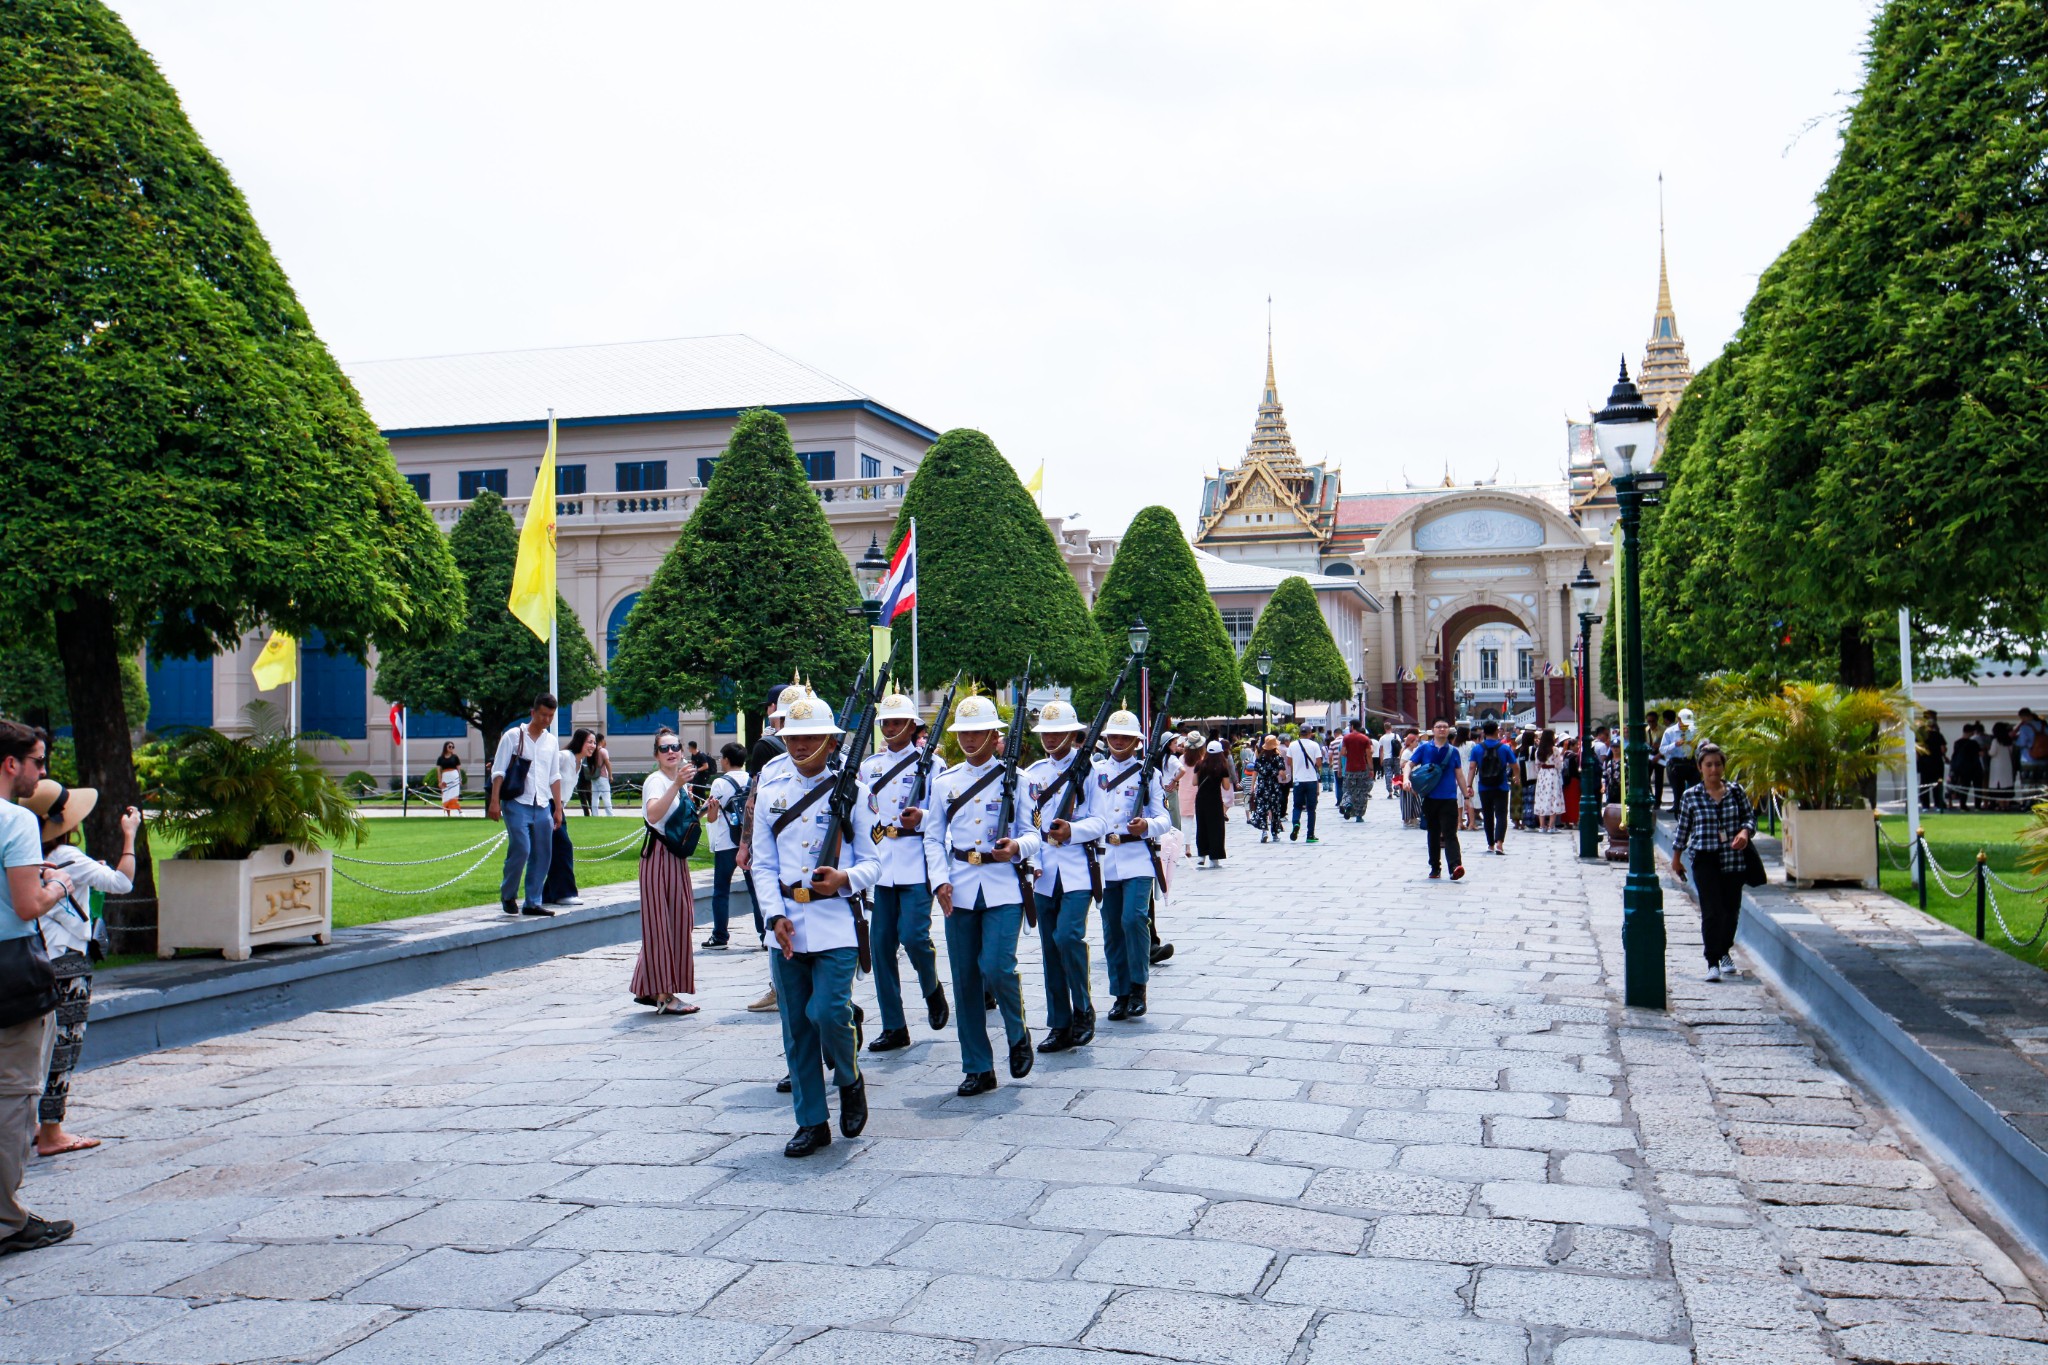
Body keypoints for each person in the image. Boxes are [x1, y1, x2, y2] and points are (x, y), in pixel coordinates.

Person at [753, 697, 878, 1156]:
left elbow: (874, 863)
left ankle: (848, 1078)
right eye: (793, 738)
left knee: (826, 1012)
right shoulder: (772, 792)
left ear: (831, 741)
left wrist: (845, 878)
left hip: (836, 922)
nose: (801, 745)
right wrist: (774, 915)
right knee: (796, 1028)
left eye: (810, 737)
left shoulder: (857, 794)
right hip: (786, 922)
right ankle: (811, 1121)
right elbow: (763, 867)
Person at [924, 694, 1041, 1096]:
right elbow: (932, 837)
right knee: (964, 979)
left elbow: (1033, 834)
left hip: (1002, 885)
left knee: (996, 966)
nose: (971, 739)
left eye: (979, 732)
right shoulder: (944, 783)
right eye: (965, 733)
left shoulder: (1020, 780)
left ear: (996, 736)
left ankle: (1017, 1030)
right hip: (959, 884)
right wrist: (939, 880)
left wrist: (1017, 849)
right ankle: (977, 1065)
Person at [24, 782, 138, 1157]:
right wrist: (129, 837)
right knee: (64, 1047)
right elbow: (122, 882)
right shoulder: (68, 855)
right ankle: (53, 1131)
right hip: (69, 964)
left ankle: (35, 1124)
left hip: (33, 959)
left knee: (36, 1048)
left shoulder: (24, 857)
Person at [0, 720, 75, 1255]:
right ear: (11, 764)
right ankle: (6, 1219)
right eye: (38, 761)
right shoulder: (15, 820)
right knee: (13, 1099)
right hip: (9, 971)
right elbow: (28, 905)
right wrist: (58, 884)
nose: (41, 772)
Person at [860, 691, 950, 1053]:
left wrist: (923, 818)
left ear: (914, 726)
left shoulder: (932, 764)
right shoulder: (869, 767)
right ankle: (894, 1025)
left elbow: (942, 816)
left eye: (899, 722)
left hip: (916, 859)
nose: (891, 728)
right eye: (887, 722)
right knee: (880, 946)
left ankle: (931, 988)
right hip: (882, 862)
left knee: (914, 937)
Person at [1022, 699, 1106, 1054]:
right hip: (1044, 872)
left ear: (1073, 734)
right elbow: (1027, 825)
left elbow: (1101, 822)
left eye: (1058, 732)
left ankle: (1083, 1009)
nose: (1051, 738)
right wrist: (1033, 857)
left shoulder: (1093, 771)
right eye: (1046, 732)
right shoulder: (1034, 773)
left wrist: (1071, 830)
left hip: (1076, 869)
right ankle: (1059, 1022)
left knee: (1068, 937)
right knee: (1049, 948)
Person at [1092, 710, 1169, 1020]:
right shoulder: (1095, 773)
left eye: (1125, 737)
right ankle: (1120, 992)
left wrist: (1146, 825)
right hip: (1105, 859)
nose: (1119, 741)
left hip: (1136, 855)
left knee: (1133, 919)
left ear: (1137, 742)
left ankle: (1138, 986)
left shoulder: (1148, 773)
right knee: (1111, 928)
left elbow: (1164, 819)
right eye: (1114, 736)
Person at [739, 682, 801, 1013]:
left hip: (776, 843)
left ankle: (780, 986)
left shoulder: (766, 746)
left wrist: (745, 843)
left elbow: (753, 798)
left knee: (770, 915)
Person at [1671, 742, 1757, 983]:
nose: (1714, 769)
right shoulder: (1691, 796)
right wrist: (1676, 859)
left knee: (1730, 912)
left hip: (1733, 858)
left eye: (1718, 764)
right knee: (1712, 911)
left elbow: (1750, 818)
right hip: (1704, 858)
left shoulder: (1736, 791)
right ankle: (1712, 961)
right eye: (1708, 765)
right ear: (1700, 767)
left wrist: (1744, 832)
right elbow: (1683, 829)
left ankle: (1724, 951)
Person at [630, 728, 698, 1015]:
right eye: (664, 748)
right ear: (656, 755)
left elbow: (678, 820)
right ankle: (663, 994)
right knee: (660, 924)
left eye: (675, 747)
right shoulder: (656, 782)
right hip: (658, 857)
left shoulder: (676, 782)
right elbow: (654, 815)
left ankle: (649, 987)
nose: (671, 752)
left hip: (674, 858)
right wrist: (676, 786)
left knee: (678, 920)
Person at [488, 694, 564, 917]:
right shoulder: (513, 736)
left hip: (542, 804)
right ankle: (508, 893)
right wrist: (494, 802)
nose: (546, 720)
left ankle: (532, 901)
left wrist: (558, 808)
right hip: (516, 803)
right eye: (543, 715)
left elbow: (554, 776)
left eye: (551, 716)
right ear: (533, 713)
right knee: (521, 849)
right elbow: (499, 771)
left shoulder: (551, 741)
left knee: (543, 853)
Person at [701, 743, 749, 950]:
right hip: (748, 841)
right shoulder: (751, 779)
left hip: (726, 842)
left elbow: (712, 818)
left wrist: (711, 810)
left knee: (721, 890)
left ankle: (720, 936)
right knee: (755, 889)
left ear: (727, 760)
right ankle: (764, 933)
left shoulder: (720, 783)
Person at [1408, 719, 1467, 881]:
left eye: (1445, 727)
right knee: (1433, 833)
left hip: (1449, 798)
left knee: (1450, 833)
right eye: (1438, 727)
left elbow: (1459, 774)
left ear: (1449, 731)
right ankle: (1435, 867)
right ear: (1432, 730)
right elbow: (1409, 764)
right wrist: (1406, 779)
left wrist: (1466, 794)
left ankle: (1455, 866)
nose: (1442, 729)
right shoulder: (1424, 748)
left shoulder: (1453, 751)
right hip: (1430, 798)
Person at [542, 729, 595, 907]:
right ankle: (565, 893)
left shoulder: (579, 764)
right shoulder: (564, 756)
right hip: (548, 805)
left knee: (557, 849)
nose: (592, 746)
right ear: (579, 741)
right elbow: (545, 772)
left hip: (558, 808)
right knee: (563, 846)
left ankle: (549, 893)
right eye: (589, 742)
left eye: (594, 743)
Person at [1472, 719, 1517, 855]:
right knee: (1501, 814)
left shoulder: (1477, 748)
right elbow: (1515, 766)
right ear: (1497, 731)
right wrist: (1517, 777)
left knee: (1488, 815)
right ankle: (1499, 844)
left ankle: (1490, 844)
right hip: (1501, 785)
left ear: (1483, 733)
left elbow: (1472, 768)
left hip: (1484, 786)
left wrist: (1469, 785)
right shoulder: (1504, 748)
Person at [1194, 740, 1234, 867]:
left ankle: (1201, 856)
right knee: (1216, 828)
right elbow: (1226, 786)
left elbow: (1194, 782)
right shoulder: (1222, 766)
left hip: (1200, 800)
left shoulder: (1199, 764)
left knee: (1202, 826)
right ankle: (1214, 858)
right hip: (1215, 800)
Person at [1287, 728, 1324, 843]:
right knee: (1311, 809)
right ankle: (1310, 835)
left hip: (1298, 780)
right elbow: (1318, 763)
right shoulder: (1314, 745)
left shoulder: (1292, 745)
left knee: (1297, 806)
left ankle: (1296, 822)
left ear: (1299, 733)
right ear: (1310, 733)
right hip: (1311, 780)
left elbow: (1289, 762)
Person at [1250, 735, 1288, 842]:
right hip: (1273, 786)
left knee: (1262, 809)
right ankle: (1275, 833)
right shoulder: (1278, 757)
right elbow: (1281, 773)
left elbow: (1255, 773)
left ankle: (1264, 832)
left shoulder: (1260, 757)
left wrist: (1252, 787)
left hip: (1262, 786)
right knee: (1275, 809)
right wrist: (1284, 777)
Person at [1661, 708, 1699, 812]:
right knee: (1678, 792)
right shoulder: (1669, 732)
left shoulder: (1694, 731)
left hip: (1690, 762)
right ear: (1678, 719)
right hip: (1675, 763)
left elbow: (1702, 747)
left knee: (1694, 789)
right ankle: (1677, 810)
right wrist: (1675, 744)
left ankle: (1692, 811)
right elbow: (1662, 749)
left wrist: (1695, 745)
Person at [1338, 721, 1373, 822]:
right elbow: (1369, 755)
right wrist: (1371, 769)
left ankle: (1348, 804)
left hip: (1349, 769)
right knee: (1362, 792)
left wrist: (1350, 754)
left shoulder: (1347, 738)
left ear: (1352, 726)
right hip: (1362, 768)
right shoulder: (1365, 739)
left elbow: (1343, 752)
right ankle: (1359, 815)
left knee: (1348, 789)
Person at [1532, 728, 1565, 833]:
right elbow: (1559, 765)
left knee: (1542, 798)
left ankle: (1542, 826)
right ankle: (1551, 826)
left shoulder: (1538, 750)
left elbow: (1536, 765)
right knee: (1553, 798)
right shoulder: (1554, 749)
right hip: (1552, 773)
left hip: (1542, 774)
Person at [1949, 722, 1985, 812]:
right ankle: (1977, 806)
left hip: (1963, 769)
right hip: (1975, 767)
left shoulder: (1957, 743)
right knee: (1977, 787)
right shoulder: (1973, 743)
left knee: (1964, 787)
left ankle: (1963, 805)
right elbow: (1981, 753)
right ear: (1970, 732)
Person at [1918, 713, 1948, 812]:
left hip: (1924, 762)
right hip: (1936, 762)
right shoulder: (1938, 735)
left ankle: (1925, 805)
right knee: (1937, 784)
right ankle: (1938, 804)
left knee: (1924, 784)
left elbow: (1918, 750)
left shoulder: (1920, 734)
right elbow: (1943, 749)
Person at [1988, 722, 2018, 809]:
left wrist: (1987, 751)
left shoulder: (1995, 741)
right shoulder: (2009, 741)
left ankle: (2001, 805)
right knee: (2006, 784)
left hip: (1997, 765)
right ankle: (2006, 805)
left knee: (1998, 785)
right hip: (2007, 764)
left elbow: (1992, 752)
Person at [589, 734, 614, 817]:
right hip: (602, 776)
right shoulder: (603, 751)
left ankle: (595, 814)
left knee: (595, 797)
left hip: (593, 776)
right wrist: (610, 775)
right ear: (601, 740)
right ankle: (609, 814)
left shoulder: (593, 751)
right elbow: (607, 763)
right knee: (606, 795)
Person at [435, 742, 463, 815]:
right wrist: (439, 781)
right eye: (450, 747)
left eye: (452, 747)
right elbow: (438, 770)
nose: (451, 748)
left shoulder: (455, 757)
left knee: (454, 794)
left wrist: (460, 778)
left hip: (454, 777)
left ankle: (459, 810)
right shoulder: (440, 758)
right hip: (445, 778)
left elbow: (458, 769)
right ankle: (448, 813)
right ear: (446, 747)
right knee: (446, 795)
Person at [1378, 725, 1403, 799]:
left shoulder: (1382, 738)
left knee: (1388, 775)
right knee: (1397, 774)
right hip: (1396, 758)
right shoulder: (1396, 736)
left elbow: (1381, 750)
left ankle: (1390, 792)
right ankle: (1396, 790)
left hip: (1386, 758)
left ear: (1384, 728)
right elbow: (1400, 747)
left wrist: (1381, 759)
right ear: (1391, 728)